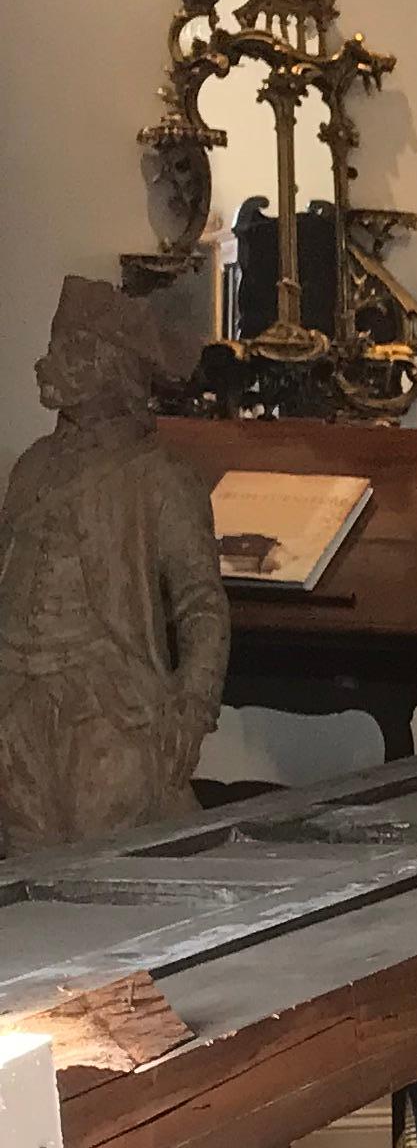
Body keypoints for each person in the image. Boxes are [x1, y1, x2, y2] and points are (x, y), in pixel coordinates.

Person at [0, 271, 226, 849]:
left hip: (108, 707)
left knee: (107, 867)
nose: (48, 360)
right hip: (16, 699)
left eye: (69, 347)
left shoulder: (160, 478)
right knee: (30, 868)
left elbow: (200, 602)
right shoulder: (31, 468)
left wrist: (191, 705)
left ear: (111, 367)